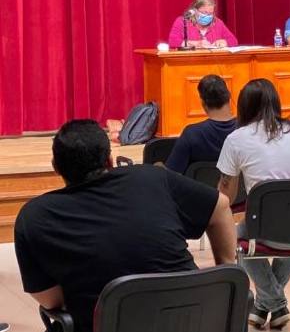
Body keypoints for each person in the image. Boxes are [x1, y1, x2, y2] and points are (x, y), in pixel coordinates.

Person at [15, 120, 236, 332]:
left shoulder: (35, 217)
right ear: (110, 161)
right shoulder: (153, 179)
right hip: (194, 321)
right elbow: (221, 205)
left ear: (56, 168)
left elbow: (51, 301)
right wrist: (227, 274)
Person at [216, 78, 290, 329]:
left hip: (269, 225)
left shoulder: (237, 139)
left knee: (234, 237)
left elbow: (225, 197)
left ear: (244, 107)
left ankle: (273, 302)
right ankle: (270, 304)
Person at [166, 74, 237, 174]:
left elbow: (171, 175)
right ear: (229, 97)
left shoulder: (191, 134)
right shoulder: (247, 130)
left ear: (203, 103)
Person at [166, 0, 239, 49]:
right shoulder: (182, 21)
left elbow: (234, 41)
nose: (207, 16)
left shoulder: (218, 23)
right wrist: (196, 44)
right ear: (195, 10)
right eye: (204, 12)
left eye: (210, 13)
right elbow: (172, 41)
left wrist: (224, 42)